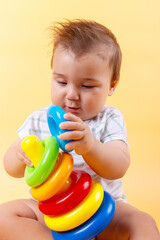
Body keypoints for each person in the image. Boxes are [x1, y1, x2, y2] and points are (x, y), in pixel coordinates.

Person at [1, 19, 160, 240]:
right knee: (3, 216)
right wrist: (19, 153)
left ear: (112, 84)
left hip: (102, 209)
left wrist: (91, 146)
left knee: (142, 222)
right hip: (53, 214)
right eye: (62, 82)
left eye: (86, 86)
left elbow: (119, 165)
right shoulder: (39, 121)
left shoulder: (109, 119)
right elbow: (11, 167)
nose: (72, 95)